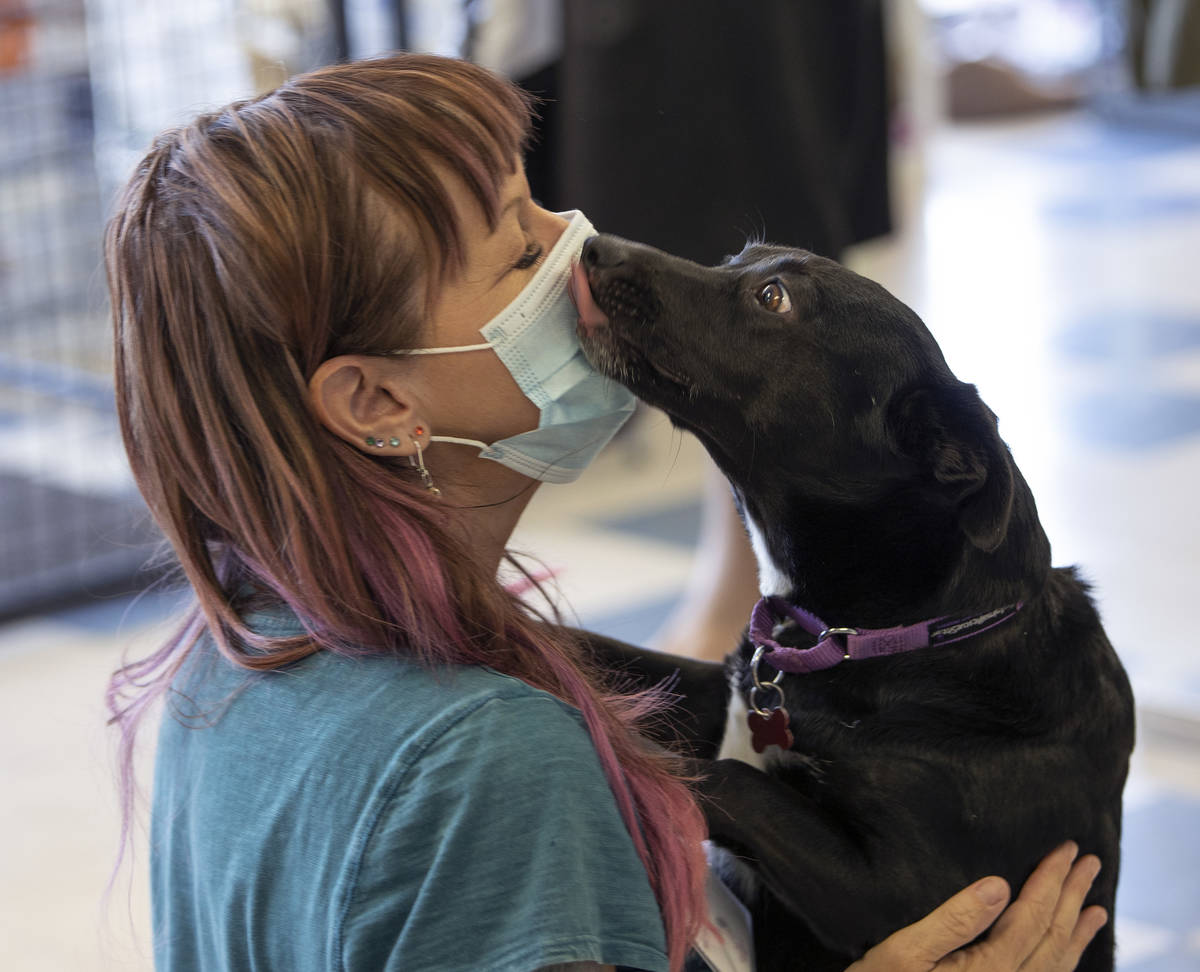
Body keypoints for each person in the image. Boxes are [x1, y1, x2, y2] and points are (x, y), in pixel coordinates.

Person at [104, 54, 1107, 972]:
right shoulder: (498, 765)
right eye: (515, 256)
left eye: (537, 206)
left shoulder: (232, 648)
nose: (579, 253)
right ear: (378, 403)